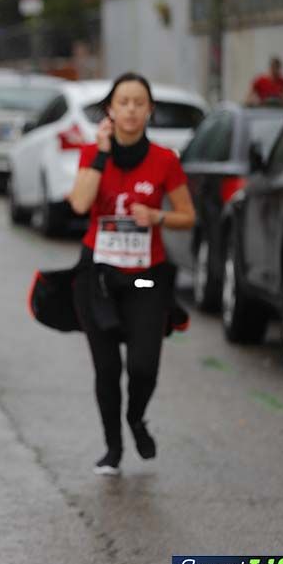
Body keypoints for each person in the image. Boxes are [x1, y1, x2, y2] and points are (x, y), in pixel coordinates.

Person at [67, 72, 196, 476]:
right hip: (99, 278)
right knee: (108, 369)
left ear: (149, 110)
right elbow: (78, 203)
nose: (131, 110)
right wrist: (102, 154)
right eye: (123, 102)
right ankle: (113, 449)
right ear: (110, 109)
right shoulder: (92, 153)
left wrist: (157, 215)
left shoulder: (165, 160)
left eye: (139, 102)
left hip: (144, 278)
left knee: (143, 366)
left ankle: (136, 417)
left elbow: (188, 216)